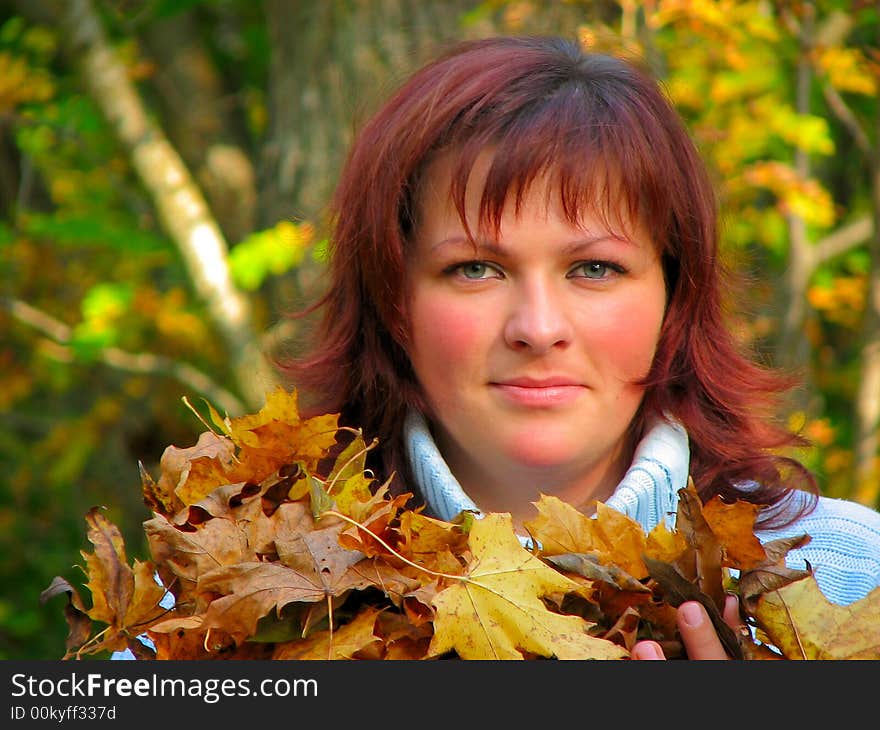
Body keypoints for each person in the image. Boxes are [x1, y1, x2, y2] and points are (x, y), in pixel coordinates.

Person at [282, 34, 880, 660]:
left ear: (674, 295)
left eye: (594, 268)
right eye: (476, 268)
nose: (538, 329)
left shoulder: (850, 577)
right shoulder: (224, 599)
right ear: (391, 297)